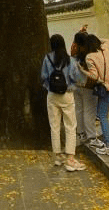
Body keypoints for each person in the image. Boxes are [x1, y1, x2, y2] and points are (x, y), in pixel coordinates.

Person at [40, 34, 86, 171]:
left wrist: (50, 86)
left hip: (52, 95)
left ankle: (58, 156)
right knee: (70, 126)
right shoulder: (70, 60)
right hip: (67, 95)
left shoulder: (47, 59)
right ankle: (70, 159)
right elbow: (79, 79)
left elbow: (43, 77)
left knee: (54, 125)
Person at [71, 31, 98, 146]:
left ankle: (81, 133)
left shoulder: (74, 54)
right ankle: (91, 136)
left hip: (76, 85)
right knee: (89, 111)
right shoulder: (89, 54)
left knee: (79, 110)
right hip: (87, 86)